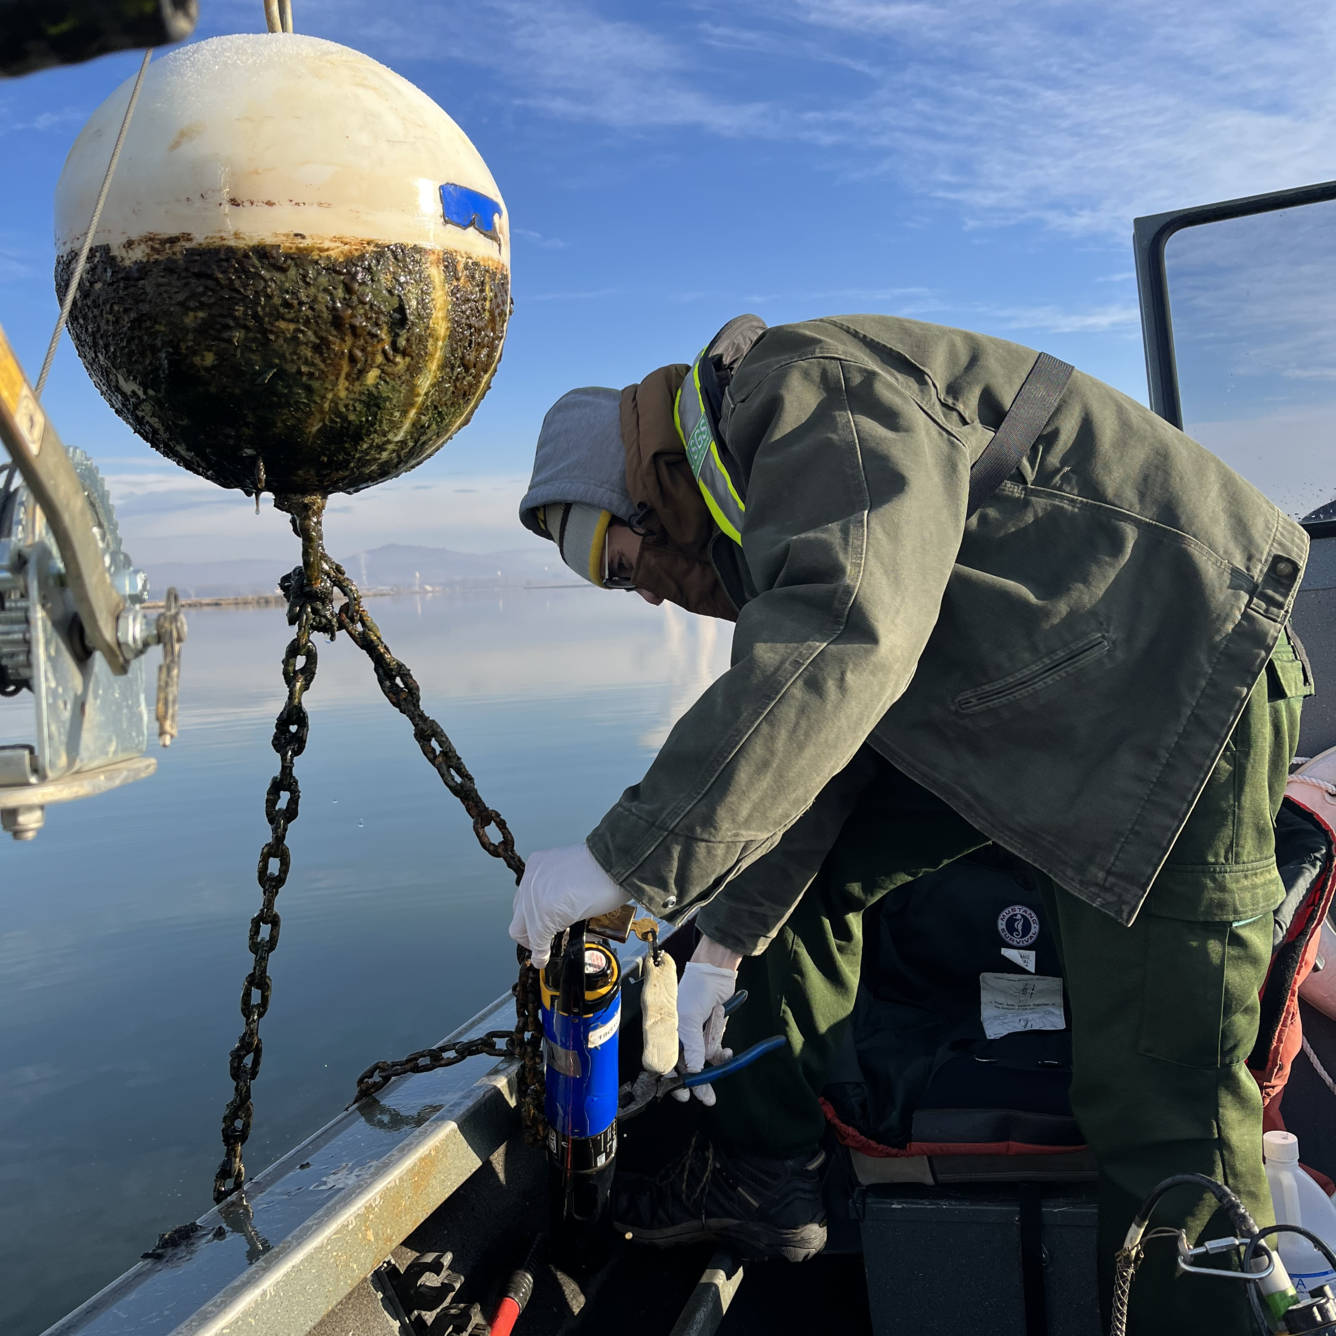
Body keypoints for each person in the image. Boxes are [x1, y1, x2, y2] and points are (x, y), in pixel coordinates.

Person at [508, 314, 1312, 1333]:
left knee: (1159, 1097)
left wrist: (618, 859)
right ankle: (766, 1170)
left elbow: (845, 637)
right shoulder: (762, 484)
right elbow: (825, 741)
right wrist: (726, 936)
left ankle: (1204, 1316)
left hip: (1178, 679)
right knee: (800, 880)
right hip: (1042, 695)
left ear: (645, 483)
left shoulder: (801, 395)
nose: (645, 588)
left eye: (621, 563)